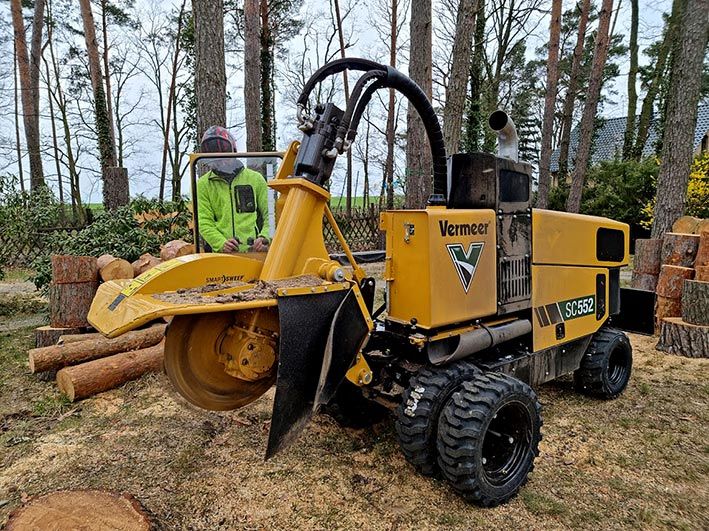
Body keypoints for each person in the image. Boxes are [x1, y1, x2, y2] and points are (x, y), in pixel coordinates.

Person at [196, 126, 270, 253]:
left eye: (224, 156)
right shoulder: (203, 184)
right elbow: (204, 221)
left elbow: (272, 215)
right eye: (215, 158)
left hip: (254, 253)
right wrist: (221, 243)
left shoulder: (255, 179)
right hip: (221, 256)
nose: (221, 162)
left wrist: (265, 237)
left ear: (234, 151)